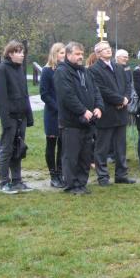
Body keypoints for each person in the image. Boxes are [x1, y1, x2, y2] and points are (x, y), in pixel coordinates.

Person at [54, 41, 103, 194]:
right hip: (71, 122)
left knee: (85, 155)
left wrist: (98, 107)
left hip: (88, 122)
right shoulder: (62, 72)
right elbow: (67, 95)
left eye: (82, 54)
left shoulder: (85, 71)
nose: (80, 56)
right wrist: (82, 110)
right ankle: (72, 185)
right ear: (68, 55)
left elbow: (95, 90)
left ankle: (81, 183)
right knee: (71, 156)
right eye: (77, 54)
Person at [90, 41, 135, 186]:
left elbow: (127, 85)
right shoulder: (94, 70)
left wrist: (126, 99)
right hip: (106, 112)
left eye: (109, 48)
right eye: (104, 49)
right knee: (102, 147)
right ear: (98, 53)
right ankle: (103, 176)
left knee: (120, 146)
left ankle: (121, 175)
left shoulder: (119, 67)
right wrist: (119, 99)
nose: (108, 50)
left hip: (121, 112)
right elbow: (101, 90)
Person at [0, 41, 34, 194]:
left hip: (21, 116)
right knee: (6, 148)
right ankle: (4, 182)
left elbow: (25, 94)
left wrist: (28, 116)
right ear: (10, 54)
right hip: (10, 117)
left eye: (22, 52)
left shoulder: (20, 69)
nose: (22, 54)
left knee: (19, 148)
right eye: (18, 52)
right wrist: (6, 121)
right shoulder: (2, 69)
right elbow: (1, 98)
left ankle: (17, 180)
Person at [40, 43, 66, 188]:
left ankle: (61, 173)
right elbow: (44, 94)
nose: (63, 55)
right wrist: (57, 107)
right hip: (52, 113)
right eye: (61, 53)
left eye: (65, 53)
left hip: (64, 114)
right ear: (55, 54)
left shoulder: (65, 70)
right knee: (51, 144)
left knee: (63, 144)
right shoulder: (47, 71)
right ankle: (53, 175)